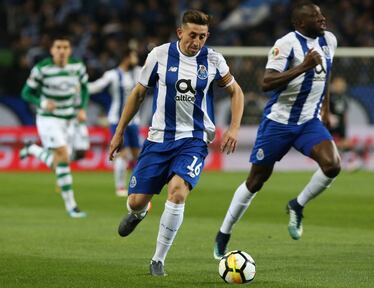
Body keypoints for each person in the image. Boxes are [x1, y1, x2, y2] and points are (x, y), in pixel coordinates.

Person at [109, 10, 244, 276]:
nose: (197, 41)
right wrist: (119, 132)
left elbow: (236, 91)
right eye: (192, 35)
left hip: (194, 139)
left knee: (178, 191)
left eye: (202, 36)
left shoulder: (214, 59)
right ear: (180, 32)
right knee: (136, 201)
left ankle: (158, 259)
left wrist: (234, 127)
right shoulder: (159, 55)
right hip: (158, 138)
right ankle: (138, 213)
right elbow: (138, 93)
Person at [213, 1, 341, 259]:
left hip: (309, 123)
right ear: (300, 23)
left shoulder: (329, 41)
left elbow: (325, 76)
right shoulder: (285, 44)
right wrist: (302, 66)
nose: (323, 19)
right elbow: (266, 82)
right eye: (316, 17)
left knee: (332, 166)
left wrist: (325, 110)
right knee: (255, 181)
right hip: (278, 123)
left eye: (322, 15)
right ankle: (224, 233)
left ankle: (297, 204)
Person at [19, 34, 89, 218]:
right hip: (48, 118)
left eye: (65, 47)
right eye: (58, 47)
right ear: (52, 51)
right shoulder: (42, 69)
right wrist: (41, 103)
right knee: (64, 156)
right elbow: (26, 93)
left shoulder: (77, 67)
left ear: (70, 50)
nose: (62, 51)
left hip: (69, 119)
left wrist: (81, 107)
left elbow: (85, 88)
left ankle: (32, 149)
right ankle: (72, 206)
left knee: (60, 162)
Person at [89, 48, 142, 197]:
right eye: (133, 56)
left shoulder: (139, 72)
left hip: (134, 121)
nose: (136, 59)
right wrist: (80, 87)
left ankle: (137, 185)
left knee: (136, 155)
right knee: (122, 154)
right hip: (116, 120)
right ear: (125, 57)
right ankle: (120, 187)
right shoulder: (112, 75)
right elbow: (96, 86)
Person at [328, 76, 363, 171]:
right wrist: (329, 116)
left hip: (340, 123)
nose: (342, 86)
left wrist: (344, 124)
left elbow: (344, 112)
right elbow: (323, 107)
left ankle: (350, 163)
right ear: (334, 85)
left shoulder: (344, 96)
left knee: (345, 142)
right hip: (329, 122)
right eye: (339, 84)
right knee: (329, 143)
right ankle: (345, 161)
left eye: (343, 84)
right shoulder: (329, 95)